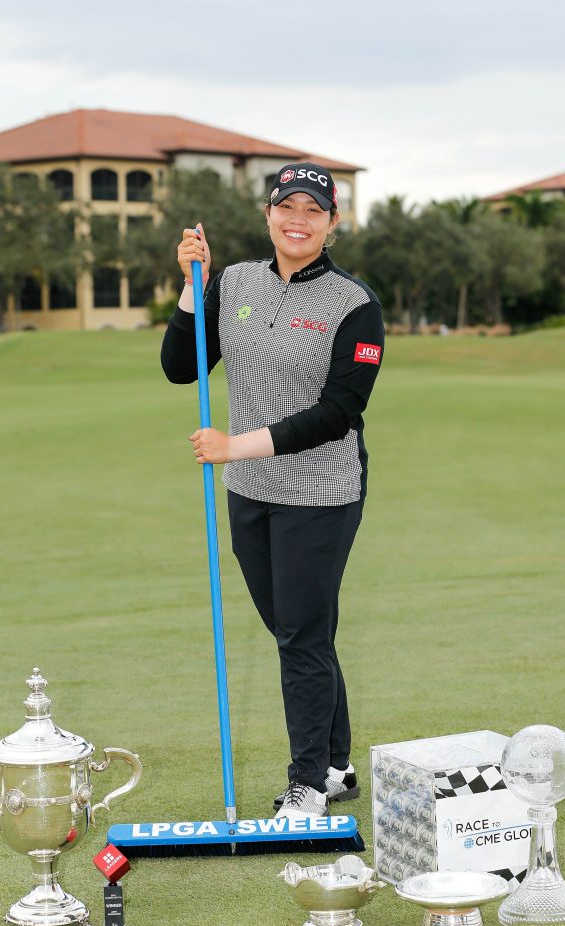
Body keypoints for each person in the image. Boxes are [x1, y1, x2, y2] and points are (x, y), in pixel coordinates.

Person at [161, 162, 384, 819]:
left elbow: (337, 412)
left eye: (313, 210)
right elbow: (181, 368)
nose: (298, 219)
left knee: (301, 637)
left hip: (320, 492)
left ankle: (308, 784)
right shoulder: (232, 283)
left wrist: (236, 444)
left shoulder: (354, 304)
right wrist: (188, 288)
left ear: (332, 223)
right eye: (287, 206)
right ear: (267, 214)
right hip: (249, 489)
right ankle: (337, 765)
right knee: (296, 632)